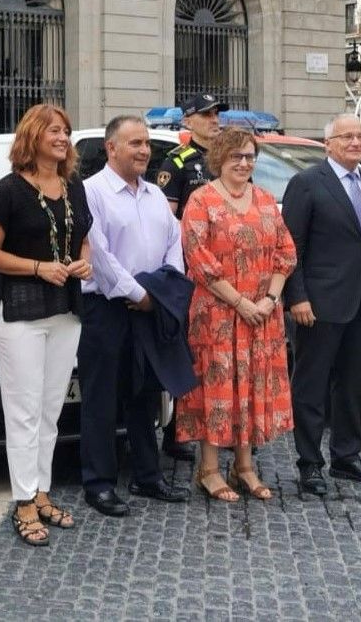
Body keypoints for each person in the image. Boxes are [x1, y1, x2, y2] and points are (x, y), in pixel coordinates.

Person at [0, 103, 92, 547]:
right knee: (23, 412)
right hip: (22, 313)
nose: (62, 138)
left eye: (65, 131)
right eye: (54, 131)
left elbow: (85, 235)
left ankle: (41, 490)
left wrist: (86, 263)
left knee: (50, 410)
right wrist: (37, 267)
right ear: (33, 136)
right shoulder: (8, 190)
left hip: (66, 310)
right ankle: (23, 500)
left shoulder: (73, 186)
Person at [78, 115, 195, 518]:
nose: (145, 150)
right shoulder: (91, 192)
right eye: (135, 143)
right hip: (107, 308)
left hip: (149, 307)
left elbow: (173, 246)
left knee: (145, 395)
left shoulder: (155, 196)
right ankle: (99, 483)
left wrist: (159, 293)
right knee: (102, 398)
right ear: (112, 148)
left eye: (146, 143)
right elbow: (99, 254)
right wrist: (139, 292)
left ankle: (148, 475)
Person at [281, 113, 361, 496]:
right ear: (328, 143)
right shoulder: (306, 183)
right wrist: (296, 296)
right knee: (311, 386)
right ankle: (310, 464)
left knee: (350, 386)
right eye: (346, 136)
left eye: (360, 136)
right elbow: (290, 249)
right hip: (318, 305)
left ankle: (347, 457)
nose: (355, 142)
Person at [175, 127, 296, 502]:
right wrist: (241, 303)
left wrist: (269, 301)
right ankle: (208, 470)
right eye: (235, 157)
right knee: (218, 388)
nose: (243, 163)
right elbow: (200, 262)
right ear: (219, 160)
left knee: (252, 387)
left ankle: (245, 467)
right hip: (217, 315)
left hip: (262, 315)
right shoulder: (201, 200)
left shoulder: (264, 199)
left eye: (249, 156)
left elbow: (285, 253)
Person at [154, 92, 227, 462]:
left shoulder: (225, 160)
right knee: (186, 350)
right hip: (192, 270)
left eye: (217, 114)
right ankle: (175, 431)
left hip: (225, 274)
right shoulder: (177, 162)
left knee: (215, 353)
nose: (214, 119)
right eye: (207, 114)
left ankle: (216, 425)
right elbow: (169, 219)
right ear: (188, 121)